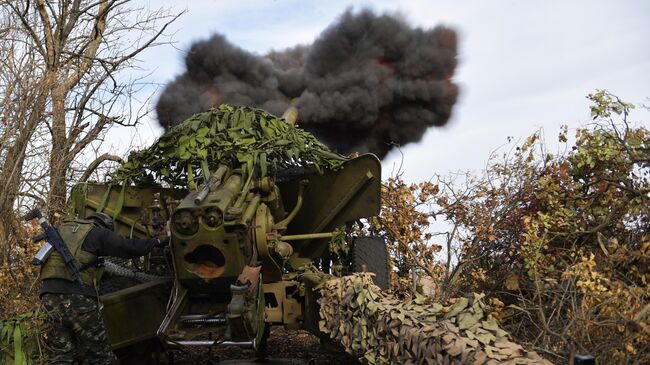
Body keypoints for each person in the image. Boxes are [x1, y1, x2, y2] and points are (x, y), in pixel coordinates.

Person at [40, 212, 164, 365]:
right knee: (100, 357)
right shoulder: (97, 233)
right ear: (105, 225)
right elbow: (128, 248)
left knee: (61, 356)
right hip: (77, 299)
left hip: (47, 298)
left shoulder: (61, 230)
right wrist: (157, 241)